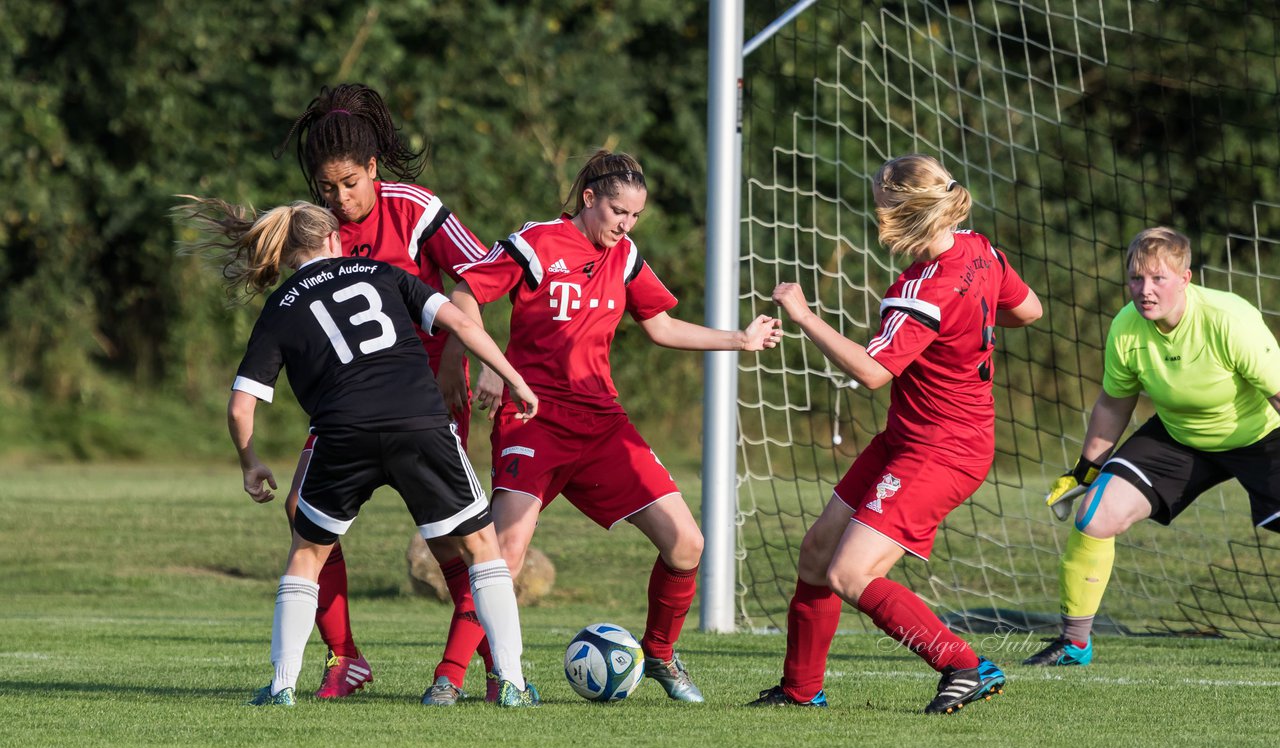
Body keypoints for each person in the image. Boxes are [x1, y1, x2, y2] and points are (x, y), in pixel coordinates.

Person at [445, 149, 783, 702]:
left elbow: (662, 326)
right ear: (589, 199)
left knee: (686, 544)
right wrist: (490, 365)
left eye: (634, 217)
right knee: (503, 556)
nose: (625, 225)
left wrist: (740, 341)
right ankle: (464, 677)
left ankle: (660, 655)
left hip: (602, 425)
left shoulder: (624, 256)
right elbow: (464, 295)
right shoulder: (536, 242)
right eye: (617, 211)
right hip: (533, 418)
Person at [178, 196, 540, 707]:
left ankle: (282, 687)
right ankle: (512, 684)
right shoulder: (380, 272)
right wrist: (513, 379)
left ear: (285, 254)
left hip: (342, 432)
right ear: (334, 240)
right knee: (483, 550)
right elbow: (461, 322)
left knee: (306, 555)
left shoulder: (281, 307)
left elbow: (241, 407)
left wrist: (250, 461)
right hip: (419, 421)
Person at [750, 154, 1043, 713]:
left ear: (903, 212)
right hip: (911, 436)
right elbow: (1028, 310)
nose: (876, 213)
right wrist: (968, 318)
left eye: (881, 204)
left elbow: (871, 372)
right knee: (817, 552)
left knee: (850, 572)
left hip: (941, 449)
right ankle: (800, 689)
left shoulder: (921, 292)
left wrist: (805, 315)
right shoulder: (980, 250)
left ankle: (964, 665)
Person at [277, 83, 502, 702]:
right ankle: (345, 656)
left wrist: (464, 345)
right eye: (327, 187)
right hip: (349, 401)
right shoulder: (319, 228)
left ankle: (474, 665)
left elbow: (481, 273)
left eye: (350, 183)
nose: (340, 199)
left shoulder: (412, 208)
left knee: (449, 535)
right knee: (300, 510)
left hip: (423, 396)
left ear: (372, 167)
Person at [1026, 226, 1280, 666]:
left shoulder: (1228, 318)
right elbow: (1113, 403)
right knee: (1094, 515)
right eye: (1136, 279)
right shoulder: (1126, 328)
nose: (1145, 291)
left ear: (1186, 278)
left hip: (1259, 436)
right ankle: (1073, 644)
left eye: (1158, 278)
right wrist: (1085, 471)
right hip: (1180, 437)